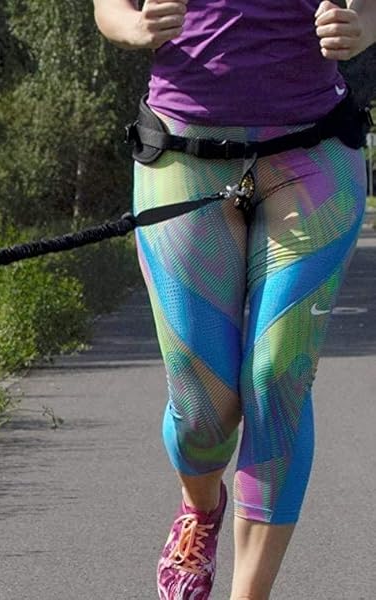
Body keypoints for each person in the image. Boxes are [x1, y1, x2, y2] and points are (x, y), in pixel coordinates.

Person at [92, 1, 375, 598]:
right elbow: (109, 9)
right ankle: (200, 508)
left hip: (314, 146)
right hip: (181, 149)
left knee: (279, 375)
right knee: (203, 410)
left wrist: (368, 24)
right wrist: (135, 26)